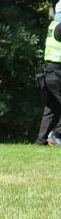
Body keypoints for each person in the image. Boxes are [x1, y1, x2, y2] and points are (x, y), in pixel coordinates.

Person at [34, 18, 61, 148]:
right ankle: (56, 135)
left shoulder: (53, 23)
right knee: (51, 108)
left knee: (51, 108)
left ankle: (41, 141)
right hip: (57, 73)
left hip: (49, 72)